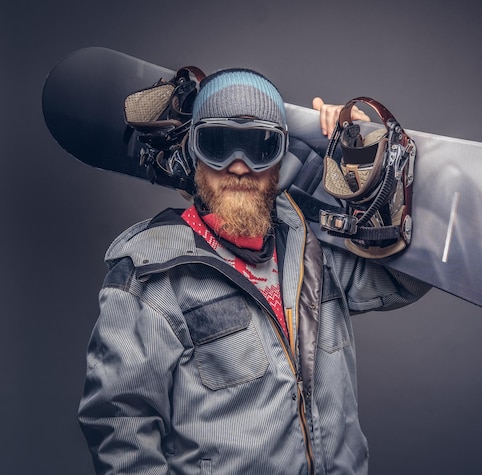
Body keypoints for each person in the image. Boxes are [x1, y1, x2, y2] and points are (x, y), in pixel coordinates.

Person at [78, 68, 430, 474]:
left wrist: (365, 152)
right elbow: (121, 427)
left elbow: (406, 279)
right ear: (195, 155)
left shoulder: (314, 249)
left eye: (260, 147)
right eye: (218, 145)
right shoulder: (151, 278)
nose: (239, 166)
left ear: (279, 162)